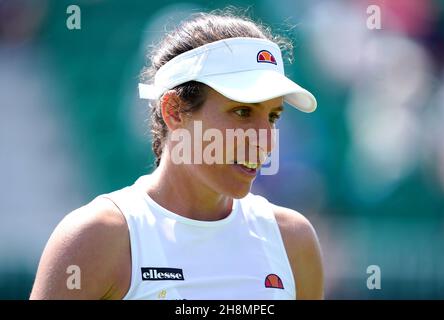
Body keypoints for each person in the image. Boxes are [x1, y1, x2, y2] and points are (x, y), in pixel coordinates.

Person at [30, 10, 324, 300]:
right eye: (242, 111)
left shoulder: (293, 240)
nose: (265, 142)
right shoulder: (96, 237)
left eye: (272, 117)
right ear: (174, 111)